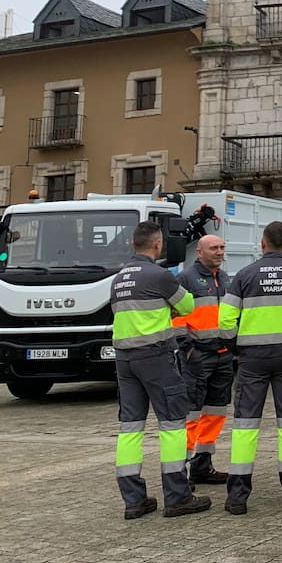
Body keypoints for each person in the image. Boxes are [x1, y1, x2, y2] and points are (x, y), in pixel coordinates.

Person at [110, 221, 212, 519]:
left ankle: (133, 500)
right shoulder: (159, 275)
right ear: (157, 244)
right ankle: (178, 497)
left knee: (130, 428)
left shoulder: (118, 278)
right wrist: (169, 307)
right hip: (156, 357)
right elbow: (189, 305)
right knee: (172, 425)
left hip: (124, 360)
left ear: (133, 244)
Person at [219, 221, 282, 515]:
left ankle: (238, 497)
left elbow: (225, 321)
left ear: (262, 243)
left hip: (252, 359)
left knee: (245, 424)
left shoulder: (244, 275)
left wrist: (237, 348)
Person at [172, 234, 233, 485]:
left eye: (222, 247)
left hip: (223, 355)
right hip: (197, 356)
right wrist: (187, 348)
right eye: (213, 248)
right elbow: (175, 317)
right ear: (199, 252)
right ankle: (180, 471)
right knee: (191, 414)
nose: (219, 252)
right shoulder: (185, 279)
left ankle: (202, 465)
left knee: (215, 412)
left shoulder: (225, 278)